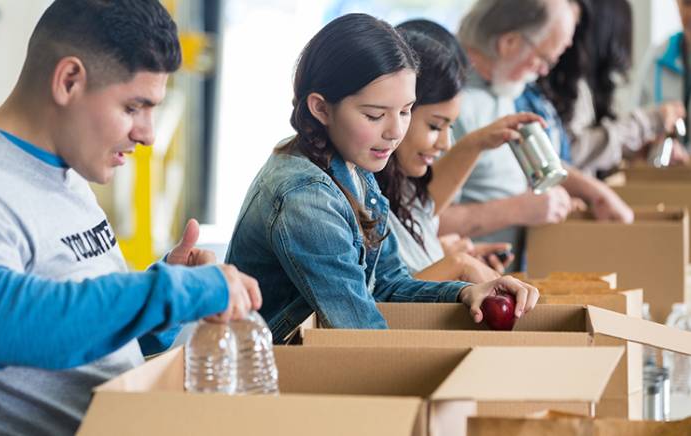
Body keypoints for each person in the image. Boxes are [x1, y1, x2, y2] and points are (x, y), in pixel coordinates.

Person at [0, 1, 260, 434]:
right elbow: (5, 319)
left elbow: (85, 347)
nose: (148, 134)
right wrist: (170, 291)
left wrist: (158, 316)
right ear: (69, 80)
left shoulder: (68, 172)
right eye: (134, 107)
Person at [225, 13, 539, 344]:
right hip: (267, 377)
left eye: (405, 111)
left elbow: (387, 286)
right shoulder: (305, 196)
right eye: (375, 115)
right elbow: (359, 329)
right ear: (321, 108)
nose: (394, 132)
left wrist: (465, 293)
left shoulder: (354, 168)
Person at [440, 0, 633, 271]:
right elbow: (425, 220)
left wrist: (595, 192)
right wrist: (518, 209)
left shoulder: (502, 90)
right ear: (508, 43)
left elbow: (529, 164)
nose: (544, 72)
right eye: (542, 59)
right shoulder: (451, 107)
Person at [376, 19, 543, 283]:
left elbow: (421, 212)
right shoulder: (362, 197)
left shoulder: (402, 188)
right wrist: (457, 265)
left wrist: (450, 260)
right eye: (435, 125)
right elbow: (382, 301)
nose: (445, 144)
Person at [543, 0, 687, 177]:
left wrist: (630, 150)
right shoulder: (572, 84)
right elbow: (570, 154)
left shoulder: (588, 86)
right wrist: (649, 122)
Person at [635, 0, 691, 149]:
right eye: (687, 3)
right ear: (677, 4)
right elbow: (637, 129)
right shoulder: (657, 58)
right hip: (665, 169)